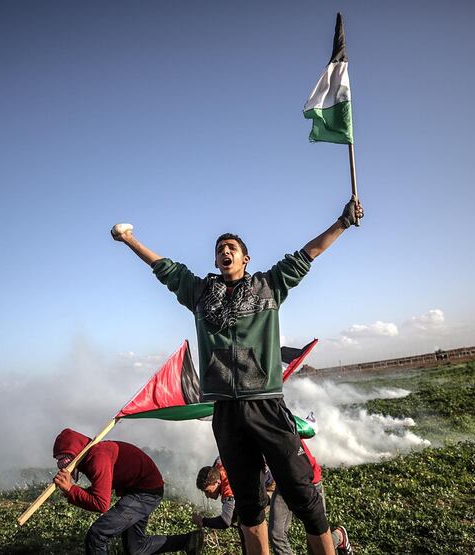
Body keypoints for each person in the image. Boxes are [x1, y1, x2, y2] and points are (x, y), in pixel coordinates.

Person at [112, 196, 363, 555]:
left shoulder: (269, 284)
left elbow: (309, 254)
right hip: (226, 412)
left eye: (232, 248)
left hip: (266, 405)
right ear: (216, 261)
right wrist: (130, 240)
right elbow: (164, 268)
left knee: (304, 496)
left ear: (245, 259)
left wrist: (342, 222)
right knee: (248, 506)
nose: (225, 252)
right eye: (219, 249)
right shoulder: (199, 293)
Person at [52, 428, 203, 555]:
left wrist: (71, 490)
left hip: (145, 493)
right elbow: (100, 489)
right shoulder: (93, 456)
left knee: (97, 534)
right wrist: (70, 491)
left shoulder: (98, 458)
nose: (62, 464)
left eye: (64, 458)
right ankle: (189, 541)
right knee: (136, 548)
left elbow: (101, 504)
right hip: (140, 490)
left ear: (75, 452)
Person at [268, 440, 352, 555]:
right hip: (284, 482)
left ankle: (338, 536)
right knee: (276, 533)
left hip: (308, 480)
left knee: (315, 542)